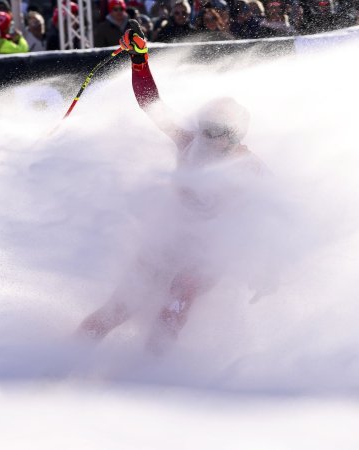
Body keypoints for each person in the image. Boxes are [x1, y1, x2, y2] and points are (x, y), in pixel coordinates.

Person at [77, 20, 266, 355]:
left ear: (234, 134)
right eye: (205, 124)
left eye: (217, 129)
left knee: (180, 291)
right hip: (173, 236)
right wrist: (139, 60)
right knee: (122, 302)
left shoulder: (249, 166)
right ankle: (66, 357)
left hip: (210, 251)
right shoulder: (187, 141)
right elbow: (152, 103)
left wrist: (271, 267)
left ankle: (153, 368)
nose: (207, 133)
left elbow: (275, 216)